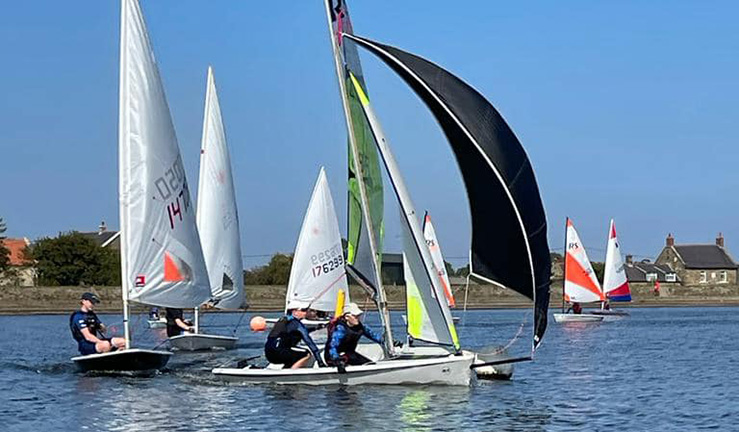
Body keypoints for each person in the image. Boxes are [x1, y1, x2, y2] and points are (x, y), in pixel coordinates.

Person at [324, 303, 394, 374]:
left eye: (359, 316)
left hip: (349, 354)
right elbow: (332, 347)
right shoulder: (340, 329)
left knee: (369, 364)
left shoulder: (360, 327)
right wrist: (337, 360)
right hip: (333, 357)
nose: (358, 318)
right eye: (355, 316)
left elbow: (374, 336)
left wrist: (390, 342)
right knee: (349, 357)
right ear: (347, 317)